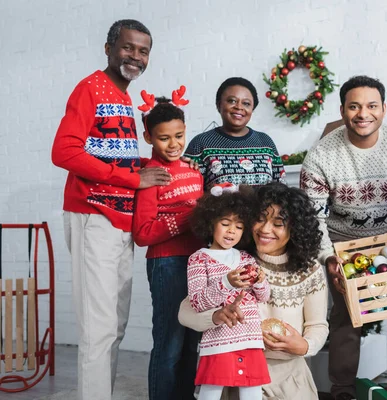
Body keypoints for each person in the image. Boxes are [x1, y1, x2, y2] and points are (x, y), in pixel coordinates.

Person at [51, 19, 171, 400]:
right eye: (128, 47)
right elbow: (65, 152)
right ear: (108, 48)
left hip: (119, 223)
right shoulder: (90, 88)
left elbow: (106, 154)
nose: (135, 56)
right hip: (93, 217)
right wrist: (134, 180)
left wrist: (143, 167)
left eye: (143, 50)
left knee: (114, 326)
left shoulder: (122, 97)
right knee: (98, 329)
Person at [300, 75, 387, 400]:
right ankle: (342, 392)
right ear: (342, 110)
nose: (363, 113)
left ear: (383, 109)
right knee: (346, 318)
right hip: (343, 246)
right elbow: (313, 218)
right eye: (354, 106)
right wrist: (330, 258)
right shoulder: (320, 157)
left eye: (371, 106)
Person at [179, 183, 328, 400]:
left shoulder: (310, 270)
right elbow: (185, 313)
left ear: (295, 229)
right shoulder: (232, 260)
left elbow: (317, 325)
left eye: (278, 224)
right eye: (260, 219)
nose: (265, 230)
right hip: (235, 370)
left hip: (290, 378)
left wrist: (304, 346)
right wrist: (216, 316)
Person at [132, 89, 203, 400]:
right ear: (149, 137)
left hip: (198, 264)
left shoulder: (193, 170)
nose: (173, 144)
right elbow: (143, 234)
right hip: (167, 264)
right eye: (164, 138)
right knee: (170, 341)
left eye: (179, 135)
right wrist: (187, 217)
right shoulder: (150, 176)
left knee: (193, 341)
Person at [187, 184, 271, 400]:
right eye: (225, 224)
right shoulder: (199, 258)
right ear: (210, 222)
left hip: (250, 338)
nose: (232, 231)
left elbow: (263, 297)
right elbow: (197, 303)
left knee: (252, 393)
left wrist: (261, 281)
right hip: (218, 341)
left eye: (239, 226)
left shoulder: (246, 258)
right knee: (210, 392)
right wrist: (227, 282)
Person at [184, 77, 286, 191]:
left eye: (246, 103)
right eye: (232, 101)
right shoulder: (201, 143)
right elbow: (187, 190)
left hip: (264, 209)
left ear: (253, 109)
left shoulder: (265, 142)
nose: (239, 107)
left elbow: (281, 189)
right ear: (219, 105)